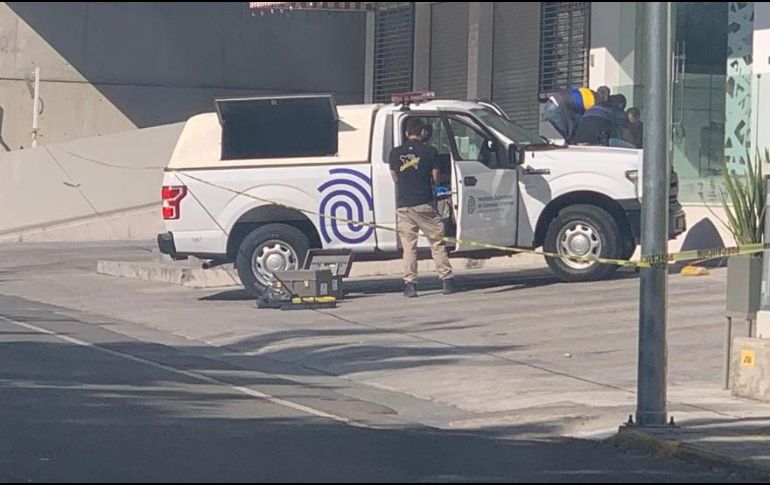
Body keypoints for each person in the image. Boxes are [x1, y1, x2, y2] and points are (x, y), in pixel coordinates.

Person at [389, 117, 455, 298]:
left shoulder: (395, 153)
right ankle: (446, 280)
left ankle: (410, 285)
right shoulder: (430, 151)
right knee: (437, 243)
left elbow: (394, 177)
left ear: (406, 133)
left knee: (409, 247)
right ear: (423, 132)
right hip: (424, 204)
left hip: (404, 206)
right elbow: (435, 177)